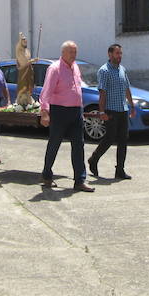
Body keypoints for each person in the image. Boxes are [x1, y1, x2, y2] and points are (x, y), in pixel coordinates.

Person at [38, 41, 94, 192]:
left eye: (75, 52)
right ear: (63, 53)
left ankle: (79, 180)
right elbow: (46, 91)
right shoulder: (55, 68)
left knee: (78, 145)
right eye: (71, 52)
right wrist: (44, 112)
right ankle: (47, 175)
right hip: (59, 111)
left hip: (75, 111)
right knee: (54, 143)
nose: (74, 55)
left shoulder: (75, 67)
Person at [87, 43, 135, 180]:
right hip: (111, 110)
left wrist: (131, 106)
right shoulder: (104, 71)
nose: (119, 56)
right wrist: (101, 112)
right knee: (109, 138)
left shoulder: (122, 70)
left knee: (123, 140)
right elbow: (102, 92)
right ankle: (93, 159)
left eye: (120, 53)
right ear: (110, 54)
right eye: (117, 53)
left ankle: (120, 170)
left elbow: (127, 89)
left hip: (123, 110)